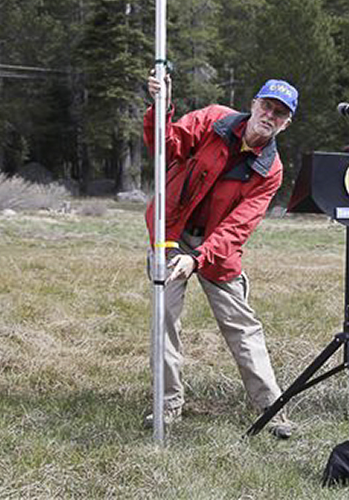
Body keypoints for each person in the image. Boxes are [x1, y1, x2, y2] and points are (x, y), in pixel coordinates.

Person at [142, 73, 298, 438]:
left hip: (217, 252)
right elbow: (166, 144)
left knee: (242, 327)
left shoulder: (270, 171)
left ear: (286, 124)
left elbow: (238, 227)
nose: (270, 116)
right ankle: (167, 405)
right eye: (267, 106)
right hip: (172, 234)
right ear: (254, 104)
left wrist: (198, 259)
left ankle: (271, 410)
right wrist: (159, 107)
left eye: (279, 113)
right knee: (163, 317)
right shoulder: (213, 120)